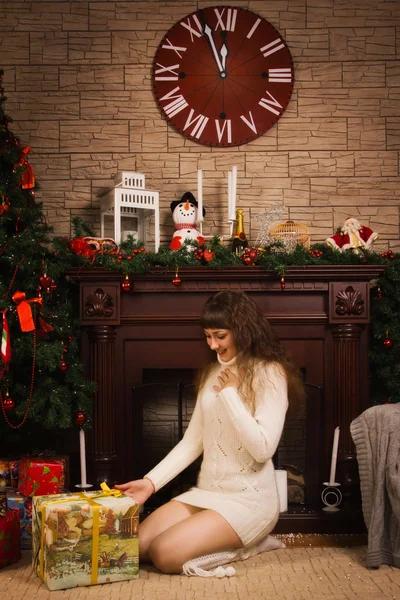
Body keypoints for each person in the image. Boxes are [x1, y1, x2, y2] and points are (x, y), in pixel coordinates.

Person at [115, 290, 305, 577]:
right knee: (137, 546)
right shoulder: (212, 372)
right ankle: (210, 532)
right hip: (207, 494)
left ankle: (252, 545)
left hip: (249, 501)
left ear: (243, 331)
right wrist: (150, 483)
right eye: (207, 336)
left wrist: (231, 395)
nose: (213, 344)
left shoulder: (270, 373)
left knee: (164, 555)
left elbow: (263, 449)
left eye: (220, 335)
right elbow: (193, 441)